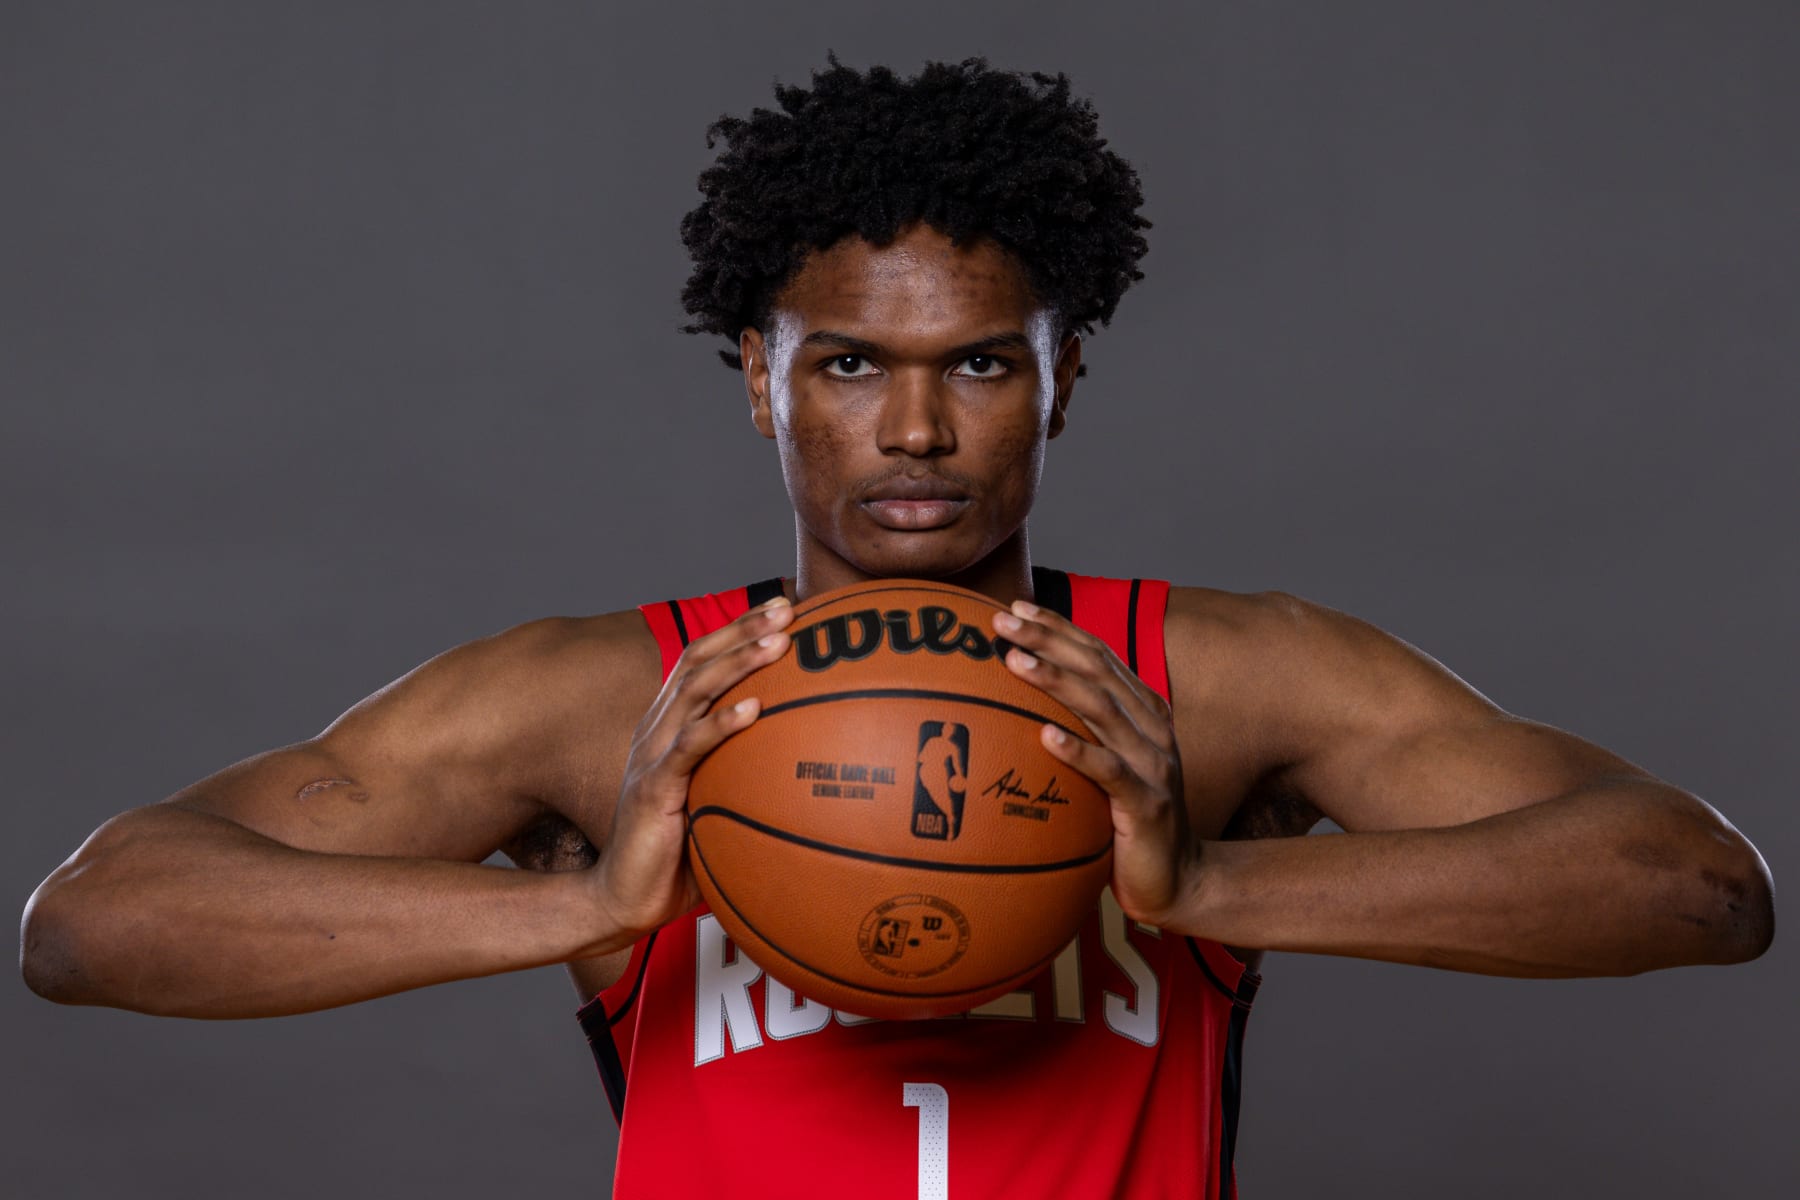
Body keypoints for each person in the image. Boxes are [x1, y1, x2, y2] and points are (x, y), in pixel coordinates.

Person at [19, 58, 1774, 1199]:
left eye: (981, 365)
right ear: (758, 379)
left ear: (1061, 380)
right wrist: (584, 905)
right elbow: (96, 925)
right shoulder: (613, 702)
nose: (917, 432)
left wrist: (1214, 885)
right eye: (850, 364)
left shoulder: (1217, 683)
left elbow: (1698, 887)